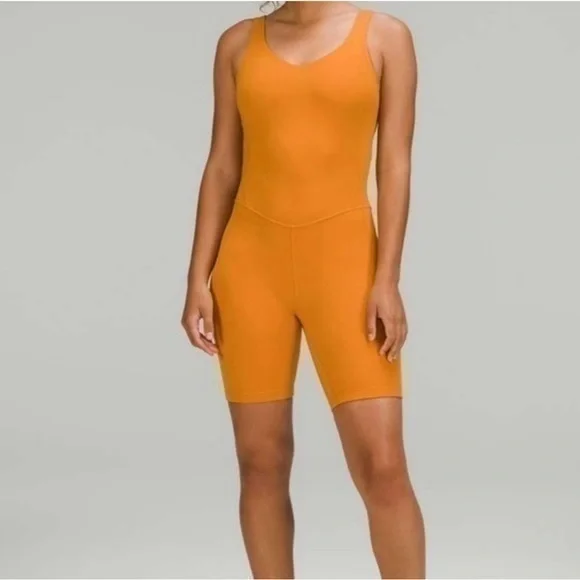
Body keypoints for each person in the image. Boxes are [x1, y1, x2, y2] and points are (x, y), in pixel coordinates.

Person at [182, 2, 424, 578]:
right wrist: (197, 278)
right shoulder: (237, 44)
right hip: (249, 267)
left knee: (382, 466)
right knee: (261, 463)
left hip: (347, 267)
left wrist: (387, 277)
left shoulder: (385, 36)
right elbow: (223, 165)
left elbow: (395, 163)